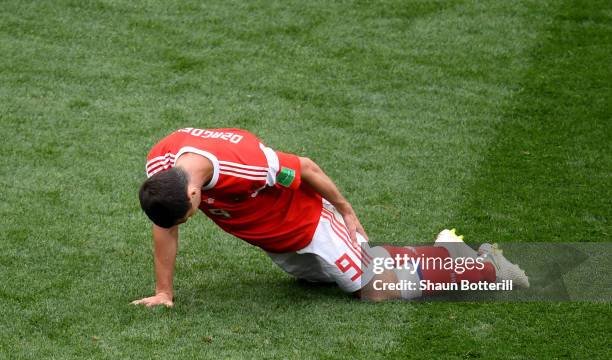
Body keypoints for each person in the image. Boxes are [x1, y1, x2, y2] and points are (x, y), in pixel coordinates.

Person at [132, 127, 529, 307]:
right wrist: (164, 292)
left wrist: (345, 209)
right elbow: (163, 226)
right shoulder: (162, 168)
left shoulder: (246, 165)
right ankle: (444, 251)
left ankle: (485, 267)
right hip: (277, 242)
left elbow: (305, 167)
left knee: (373, 289)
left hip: (309, 223)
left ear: (193, 192)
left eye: (188, 216)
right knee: (344, 275)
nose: (185, 223)